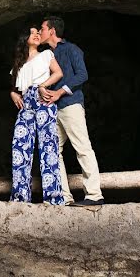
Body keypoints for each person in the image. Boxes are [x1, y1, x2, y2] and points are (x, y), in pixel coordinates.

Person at [38, 16, 105, 206]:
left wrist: (60, 91)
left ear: (52, 31)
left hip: (71, 105)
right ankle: (64, 197)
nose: (40, 32)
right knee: (53, 151)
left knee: (82, 147)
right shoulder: (46, 55)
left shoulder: (71, 49)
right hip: (53, 109)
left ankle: (94, 195)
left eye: (42, 28)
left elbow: (82, 75)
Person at [8, 26, 66, 205]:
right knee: (20, 147)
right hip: (26, 103)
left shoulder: (46, 54)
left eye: (38, 32)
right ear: (24, 37)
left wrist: (43, 86)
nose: (37, 34)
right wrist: (13, 93)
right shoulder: (19, 64)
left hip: (42, 99)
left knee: (48, 147)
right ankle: (20, 198)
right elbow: (15, 87)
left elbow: (58, 73)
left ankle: (54, 199)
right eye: (32, 32)